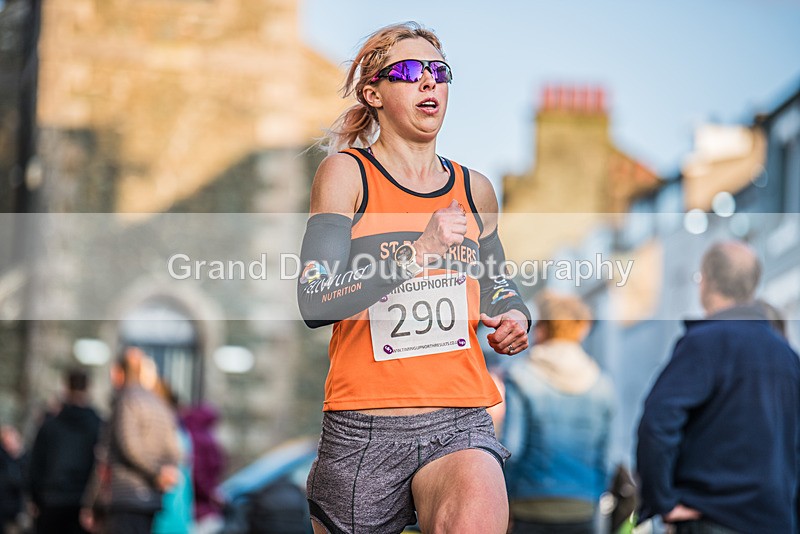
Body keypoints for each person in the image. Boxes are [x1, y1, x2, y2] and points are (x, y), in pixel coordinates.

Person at [296, 22, 531, 534]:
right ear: (373, 92)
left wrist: (515, 314)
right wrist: (415, 253)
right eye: (408, 71)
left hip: (460, 416)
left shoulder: (476, 189)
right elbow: (314, 301)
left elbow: (500, 284)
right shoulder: (346, 174)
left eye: (438, 72)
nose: (428, 82)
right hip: (365, 427)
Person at [636, 241, 800, 533]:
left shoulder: (705, 343)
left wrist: (662, 501)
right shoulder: (787, 356)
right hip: (776, 522)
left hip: (711, 519)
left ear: (705, 280)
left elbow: (657, 423)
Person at [501, 291, 614, 534]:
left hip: (529, 507)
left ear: (542, 329)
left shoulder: (522, 377)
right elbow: (606, 458)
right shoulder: (602, 385)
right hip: (582, 509)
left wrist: (504, 502)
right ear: (580, 330)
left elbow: (512, 448)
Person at [82, 347, 181, 534]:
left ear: (118, 373)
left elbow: (126, 447)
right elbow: (174, 450)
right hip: (151, 497)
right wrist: (165, 473)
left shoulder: (126, 399)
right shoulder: (159, 403)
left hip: (125, 494)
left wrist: (92, 502)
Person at [29, 368, 103, 534]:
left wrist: (34, 497)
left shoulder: (50, 426)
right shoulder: (99, 425)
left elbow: (36, 464)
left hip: (52, 501)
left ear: (66, 388)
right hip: (85, 504)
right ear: (88, 389)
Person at [181, 403, 224, 534]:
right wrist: (210, 493)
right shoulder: (204, 440)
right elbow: (199, 473)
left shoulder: (185, 433)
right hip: (199, 504)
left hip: (187, 499)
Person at [0, 425, 26, 534]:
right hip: (4, 507)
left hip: (21, 507)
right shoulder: (3, 459)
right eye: (6, 443)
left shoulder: (27, 457)